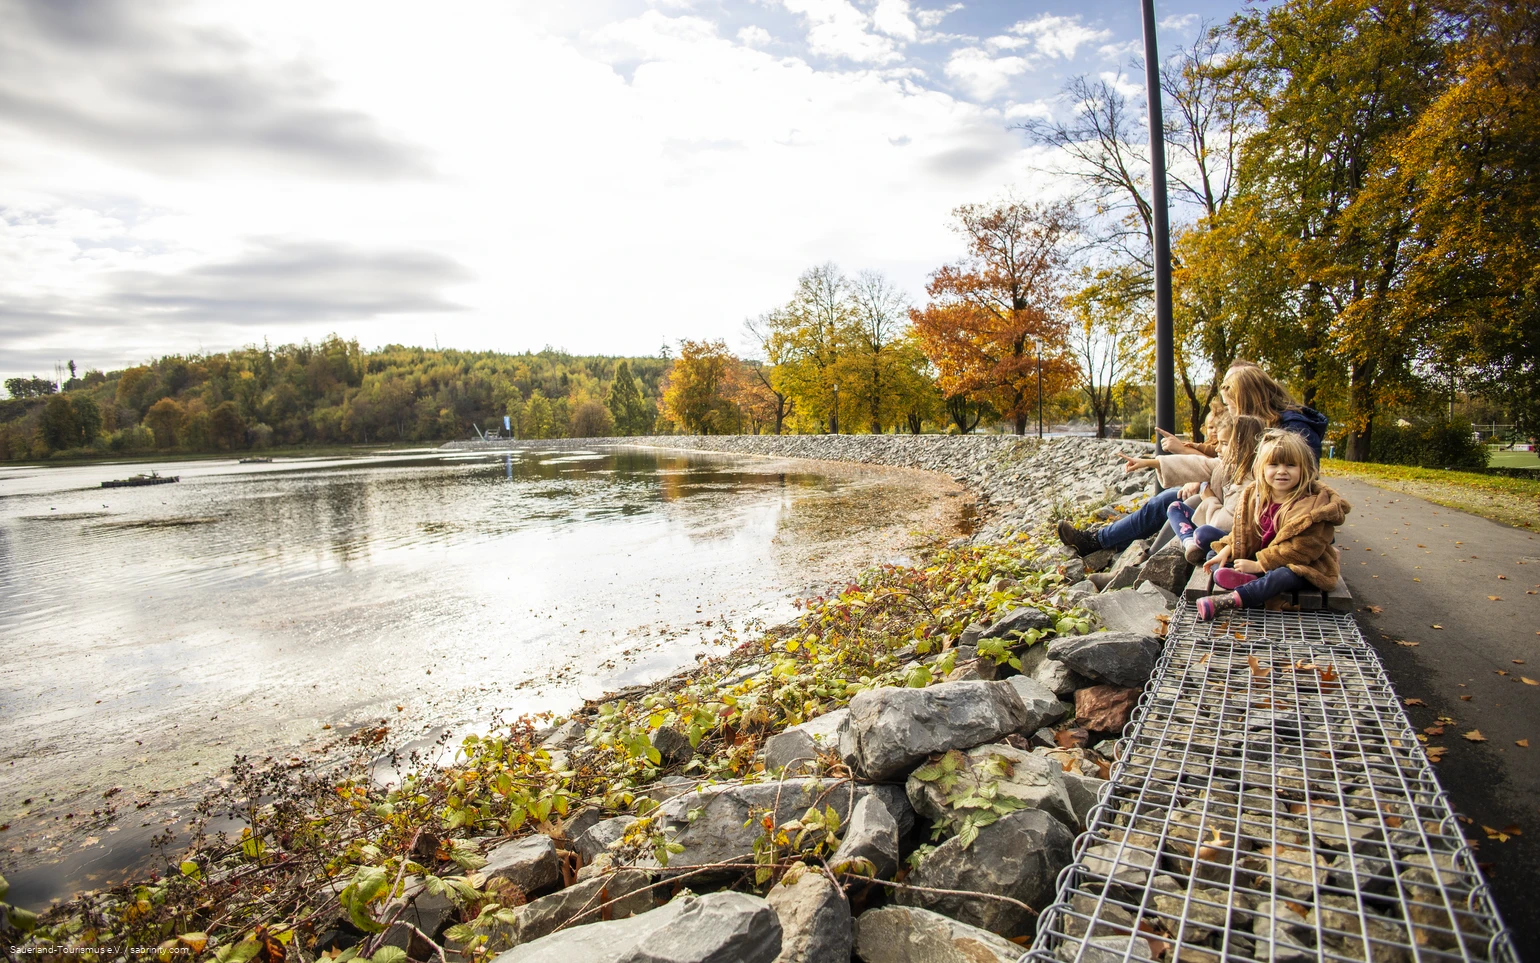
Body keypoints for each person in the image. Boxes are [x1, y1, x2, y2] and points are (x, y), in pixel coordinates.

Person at [1196, 430, 1351, 621]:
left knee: (1284, 576)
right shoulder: (1256, 495)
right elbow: (1243, 532)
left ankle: (1233, 599)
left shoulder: (1313, 506)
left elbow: (1301, 550)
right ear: (1261, 468)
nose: (1282, 471)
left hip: (1301, 564)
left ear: (1305, 468)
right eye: (1274, 464)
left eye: (1291, 465)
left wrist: (1259, 564)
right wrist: (1228, 548)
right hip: (1264, 557)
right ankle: (1253, 581)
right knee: (1214, 555)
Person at [1167, 413, 1265, 564]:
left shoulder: (1247, 483)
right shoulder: (1229, 467)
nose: (1217, 449)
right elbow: (1197, 464)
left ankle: (1196, 543)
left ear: (1244, 445)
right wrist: (1149, 463)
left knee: (1203, 534)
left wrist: (1210, 499)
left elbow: (1223, 524)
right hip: (1216, 523)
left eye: (1224, 443)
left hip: (1233, 537)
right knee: (1175, 507)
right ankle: (1190, 543)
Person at [1221, 363, 1329, 461]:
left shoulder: (1294, 427)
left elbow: (1302, 473)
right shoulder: (1261, 424)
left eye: (1228, 404)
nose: (1228, 410)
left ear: (1245, 403)